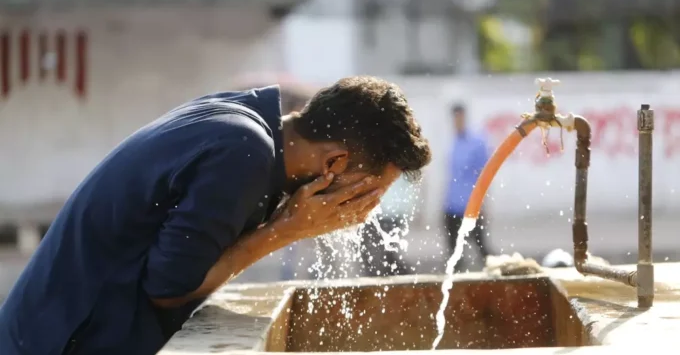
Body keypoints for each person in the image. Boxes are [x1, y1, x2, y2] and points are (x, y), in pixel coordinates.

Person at [0, 76, 432, 355]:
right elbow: (169, 288)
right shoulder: (242, 154)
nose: (366, 210)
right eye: (369, 192)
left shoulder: (243, 121)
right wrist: (287, 229)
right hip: (60, 342)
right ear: (334, 164)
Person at [443, 103, 491, 272]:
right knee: (453, 252)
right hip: (452, 203)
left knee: (481, 246)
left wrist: (484, 202)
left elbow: (484, 175)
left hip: (471, 204)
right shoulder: (452, 142)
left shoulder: (476, 142)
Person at [360, 175, 416, 277]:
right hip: (389, 211)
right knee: (377, 251)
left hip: (388, 212)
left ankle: (401, 279)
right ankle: (399, 279)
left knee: (383, 252)